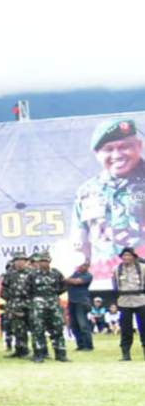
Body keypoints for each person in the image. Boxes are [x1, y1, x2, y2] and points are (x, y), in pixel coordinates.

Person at [71, 118, 145, 280]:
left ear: (139, 146)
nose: (117, 155)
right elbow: (80, 242)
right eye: (108, 149)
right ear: (97, 154)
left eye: (125, 147)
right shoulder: (87, 191)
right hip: (104, 278)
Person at [25, 247, 69, 362]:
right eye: (41, 261)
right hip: (38, 306)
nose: (43, 263)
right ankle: (39, 354)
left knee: (57, 329)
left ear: (49, 261)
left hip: (53, 304)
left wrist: (52, 296)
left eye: (46, 260)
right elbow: (27, 290)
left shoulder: (56, 273)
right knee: (38, 330)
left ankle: (61, 354)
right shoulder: (32, 275)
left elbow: (62, 287)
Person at [115, 246, 145, 360]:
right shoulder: (117, 269)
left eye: (128, 255)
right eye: (124, 256)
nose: (126, 258)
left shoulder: (142, 268)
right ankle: (125, 354)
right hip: (124, 302)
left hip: (140, 300)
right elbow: (115, 286)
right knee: (126, 329)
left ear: (133, 257)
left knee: (143, 327)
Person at [0, 251, 31, 357]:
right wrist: (12, 300)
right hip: (15, 305)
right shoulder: (9, 275)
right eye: (17, 261)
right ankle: (20, 350)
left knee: (36, 328)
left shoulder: (32, 274)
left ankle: (40, 351)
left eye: (22, 260)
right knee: (18, 329)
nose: (19, 263)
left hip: (30, 304)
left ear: (26, 262)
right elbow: (3, 291)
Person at [63, 258, 95, 351]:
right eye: (82, 265)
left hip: (82, 302)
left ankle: (88, 345)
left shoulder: (88, 275)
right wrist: (68, 280)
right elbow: (69, 281)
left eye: (86, 265)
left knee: (83, 324)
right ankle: (80, 344)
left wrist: (66, 280)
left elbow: (77, 282)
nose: (83, 267)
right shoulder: (75, 274)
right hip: (72, 301)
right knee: (74, 324)